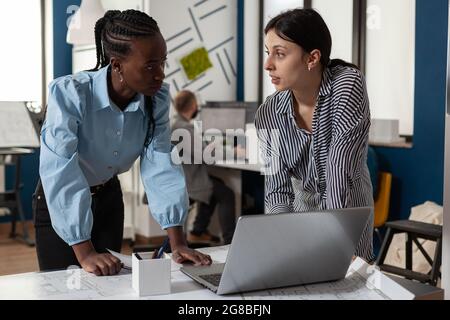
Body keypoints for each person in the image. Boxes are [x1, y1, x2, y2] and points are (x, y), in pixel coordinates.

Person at [34, 9, 212, 276]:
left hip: (108, 198)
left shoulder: (157, 99)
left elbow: (160, 162)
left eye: (162, 62)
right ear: (116, 64)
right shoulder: (71, 94)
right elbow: (60, 170)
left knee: (109, 285)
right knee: (64, 289)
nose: (160, 74)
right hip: (59, 202)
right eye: (150, 65)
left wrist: (178, 243)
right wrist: (85, 253)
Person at [255, 8, 374, 261]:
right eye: (268, 53)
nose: (267, 65)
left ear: (312, 58)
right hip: (302, 211)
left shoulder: (347, 85)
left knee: (351, 286)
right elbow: (276, 190)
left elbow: (338, 171)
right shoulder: (268, 113)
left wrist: (338, 241)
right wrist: (280, 239)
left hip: (347, 208)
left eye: (280, 54)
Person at [171, 90, 236, 245]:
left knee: (215, 185)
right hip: (188, 182)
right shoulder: (184, 128)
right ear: (193, 106)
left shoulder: (176, 124)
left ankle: (198, 231)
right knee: (226, 194)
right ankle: (231, 242)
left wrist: (209, 146)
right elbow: (205, 156)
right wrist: (233, 151)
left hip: (181, 178)